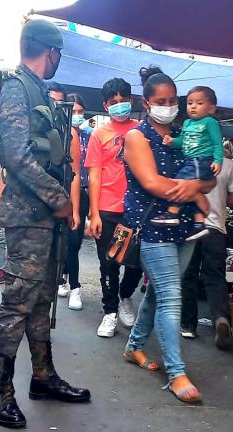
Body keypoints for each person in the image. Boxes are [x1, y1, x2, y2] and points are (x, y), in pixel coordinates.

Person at [0, 19, 90, 430]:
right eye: (59, 55)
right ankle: (1, 394)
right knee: (17, 302)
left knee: (43, 299)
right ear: (51, 51)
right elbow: (16, 156)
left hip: (46, 219)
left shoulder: (36, 89)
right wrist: (59, 198)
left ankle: (43, 377)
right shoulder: (14, 86)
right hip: (29, 217)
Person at [122, 66, 208, 404]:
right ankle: (176, 373)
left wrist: (198, 189)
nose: (168, 106)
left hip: (186, 228)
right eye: (161, 101)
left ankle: (133, 348)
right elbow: (152, 184)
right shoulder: (136, 137)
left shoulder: (187, 133)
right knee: (173, 296)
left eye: (173, 100)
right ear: (146, 103)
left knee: (158, 293)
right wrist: (196, 191)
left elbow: (210, 177)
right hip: (152, 226)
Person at [86, 77, 144, 338]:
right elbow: (94, 175)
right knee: (109, 262)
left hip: (136, 209)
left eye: (123, 101)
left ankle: (125, 296)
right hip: (109, 209)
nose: (119, 106)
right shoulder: (100, 134)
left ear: (131, 101)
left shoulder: (142, 130)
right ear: (105, 105)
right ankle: (110, 312)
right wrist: (94, 213)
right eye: (113, 102)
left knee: (136, 262)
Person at [181, 156, 233, 345]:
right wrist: (220, 198)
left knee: (188, 275)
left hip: (189, 228)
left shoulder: (185, 159)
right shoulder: (227, 164)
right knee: (215, 277)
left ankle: (188, 326)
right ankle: (220, 319)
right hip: (215, 229)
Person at [156, 86, 222, 237]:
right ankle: (199, 223)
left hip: (202, 160)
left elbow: (217, 143)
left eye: (199, 103)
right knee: (193, 189)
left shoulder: (210, 122)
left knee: (180, 182)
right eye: (190, 103)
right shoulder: (187, 124)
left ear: (211, 109)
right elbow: (183, 142)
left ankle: (172, 212)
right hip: (191, 160)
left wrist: (218, 160)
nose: (193, 106)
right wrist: (172, 141)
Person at [58, 93, 89, 310]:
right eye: (73, 111)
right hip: (61, 193)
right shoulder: (58, 135)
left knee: (74, 242)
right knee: (64, 241)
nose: (76, 115)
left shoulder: (89, 136)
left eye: (80, 112)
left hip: (84, 194)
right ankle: (66, 280)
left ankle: (73, 283)